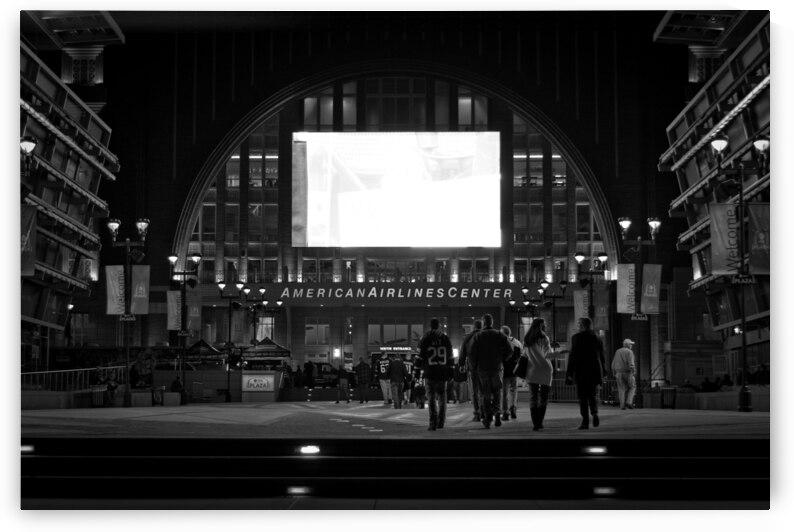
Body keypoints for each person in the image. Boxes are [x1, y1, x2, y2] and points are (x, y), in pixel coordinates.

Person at [469, 313, 513, 429]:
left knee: (485, 393)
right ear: (492, 322)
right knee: (497, 391)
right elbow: (510, 349)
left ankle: (487, 418)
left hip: (482, 369)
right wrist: (502, 358)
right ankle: (497, 414)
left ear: (483, 323)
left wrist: (475, 365)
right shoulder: (499, 335)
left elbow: (472, 353)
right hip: (497, 368)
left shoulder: (478, 336)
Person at [565, 317, 606, 430]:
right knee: (592, 395)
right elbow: (602, 356)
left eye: (579, 324)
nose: (577, 327)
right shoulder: (597, 337)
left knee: (583, 397)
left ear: (582, 325)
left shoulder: (576, 338)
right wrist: (604, 371)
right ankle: (595, 413)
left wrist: (569, 373)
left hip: (581, 371)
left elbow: (572, 357)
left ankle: (585, 421)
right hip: (595, 371)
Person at [417, 318, 455, 430]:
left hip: (430, 372)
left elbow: (419, 357)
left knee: (431, 397)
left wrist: (417, 371)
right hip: (442, 372)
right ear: (439, 326)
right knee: (442, 397)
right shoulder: (445, 338)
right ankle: (441, 421)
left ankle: (433, 422)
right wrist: (451, 371)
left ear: (430, 326)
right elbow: (451, 357)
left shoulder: (425, 339)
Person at [521, 318, 555, 431]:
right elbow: (548, 355)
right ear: (542, 326)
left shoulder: (527, 339)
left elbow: (524, 355)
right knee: (543, 398)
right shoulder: (544, 338)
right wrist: (559, 354)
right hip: (545, 370)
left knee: (533, 398)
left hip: (532, 371)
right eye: (544, 325)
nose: (545, 326)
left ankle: (535, 423)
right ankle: (539, 422)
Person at [458, 319, 483, 422]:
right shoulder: (485, 335)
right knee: (483, 391)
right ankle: (484, 411)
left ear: (473, 327)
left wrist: (461, 364)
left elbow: (462, 352)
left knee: (474, 392)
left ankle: (477, 413)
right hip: (485, 368)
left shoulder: (468, 337)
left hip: (472, 368)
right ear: (481, 326)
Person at [500, 325, 522, 421]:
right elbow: (521, 357)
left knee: (504, 393)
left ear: (502, 333)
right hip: (514, 372)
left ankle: (505, 412)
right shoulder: (517, 343)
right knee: (513, 391)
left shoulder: (501, 343)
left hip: (504, 372)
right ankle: (513, 408)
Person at [611, 338, 637, 410]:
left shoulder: (617, 351)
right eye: (631, 344)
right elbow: (631, 364)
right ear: (628, 345)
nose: (632, 346)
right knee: (632, 387)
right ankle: (629, 402)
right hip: (627, 372)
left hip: (618, 373)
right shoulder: (630, 352)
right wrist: (633, 372)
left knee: (621, 389)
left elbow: (613, 363)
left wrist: (614, 372)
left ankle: (622, 406)